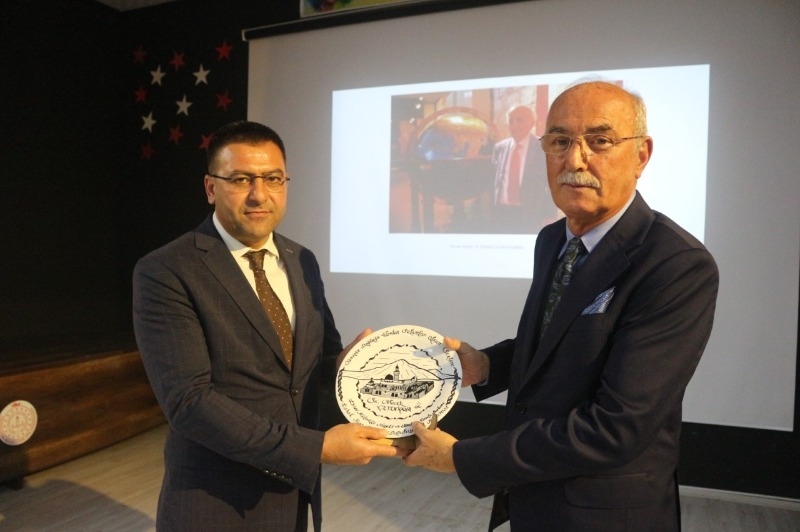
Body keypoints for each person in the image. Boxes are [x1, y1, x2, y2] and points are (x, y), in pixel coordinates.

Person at [404, 80, 719, 531]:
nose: (574, 160)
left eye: (600, 141)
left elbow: (616, 428)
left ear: (641, 155)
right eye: (559, 141)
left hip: (606, 516)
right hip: (533, 499)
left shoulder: (675, 264)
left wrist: (461, 457)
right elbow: (558, 345)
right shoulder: (553, 239)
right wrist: (487, 366)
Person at [132, 121, 404, 531]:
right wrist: (315, 449)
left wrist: (346, 365)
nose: (259, 194)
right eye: (241, 179)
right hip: (215, 501)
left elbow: (313, 362)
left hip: (293, 495)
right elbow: (189, 402)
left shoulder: (301, 259)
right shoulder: (167, 270)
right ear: (211, 188)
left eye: (273, 179)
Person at [491, 104, 558, 233]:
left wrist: (550, 215)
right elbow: (494, 180)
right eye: (511, 121)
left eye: (519, 120)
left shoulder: (544, 147)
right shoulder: (499, 148)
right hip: (502, 212)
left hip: (530, 213)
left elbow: (551, 184)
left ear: (531, 123)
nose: (514, 125)